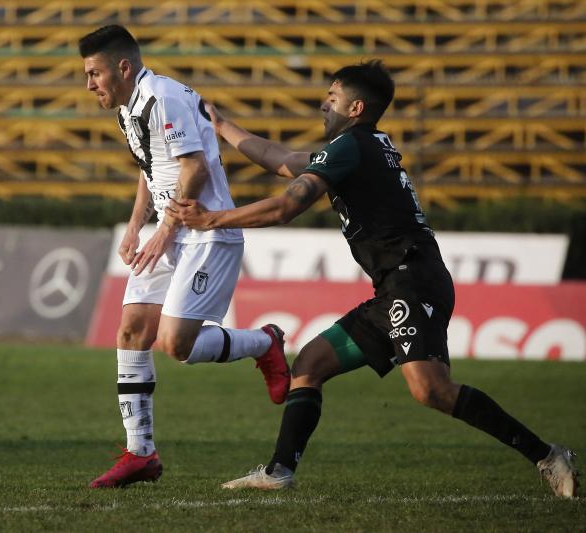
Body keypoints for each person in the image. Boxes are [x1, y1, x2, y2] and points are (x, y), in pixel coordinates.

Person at [167, 60, 579, 498]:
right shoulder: (361, 146)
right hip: (396, 285)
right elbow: (282, 159)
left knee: (431, 389)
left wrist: (213, 219)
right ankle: (278, 472)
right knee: (309, 365)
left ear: (356, 107)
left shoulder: (350, 146)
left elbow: (288, 205)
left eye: (332, 97)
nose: (324, 104)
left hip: (412, 281)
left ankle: (547, 455)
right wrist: (222, 126)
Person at [78, 25, 291, 489]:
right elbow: (151, 167)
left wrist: (164, 230)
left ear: (123, 67)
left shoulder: (164, 98)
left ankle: (264, 342)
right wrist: (135, 225)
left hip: (205, 233)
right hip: (170, 230)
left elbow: (194, 168)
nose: (89, 84)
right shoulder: (129, 108)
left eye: (94, 73)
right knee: (131, 331)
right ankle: (140, 454)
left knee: (176, 345)